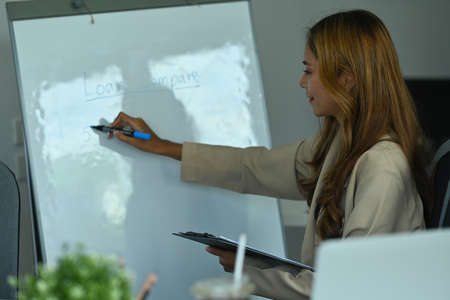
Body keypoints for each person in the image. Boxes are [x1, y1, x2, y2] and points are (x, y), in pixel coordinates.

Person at [108, 9, 432, 300]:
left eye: (309, 71)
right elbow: (255, 167)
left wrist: (247, 273)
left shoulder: (382, 165)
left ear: (346, 79)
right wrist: (160, 145)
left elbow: (344, 285)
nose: (302, 82)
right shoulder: (340, 144)